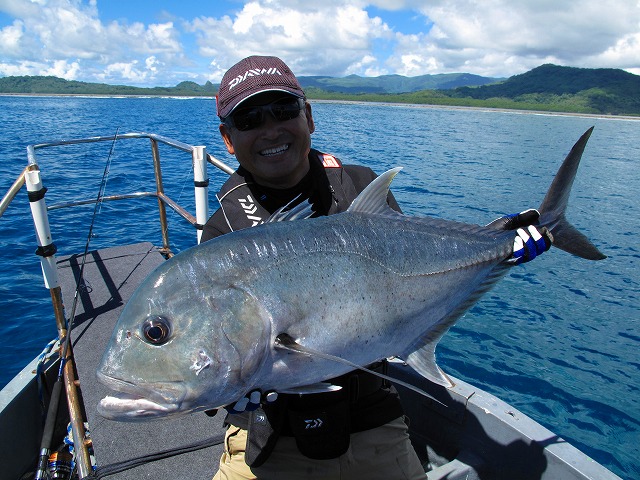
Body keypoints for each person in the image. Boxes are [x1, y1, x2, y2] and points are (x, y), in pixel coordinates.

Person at [203, 55, 550, 480]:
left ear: (308, 117)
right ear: (228, 139)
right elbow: (210, 349)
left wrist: (500, 244)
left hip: (373, 422)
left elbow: (414, 276)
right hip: (271, 437)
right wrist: (222, 390)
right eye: (251, 118)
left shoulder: (358, 186)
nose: (271, 128)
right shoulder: (224, 235)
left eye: (284, 110)